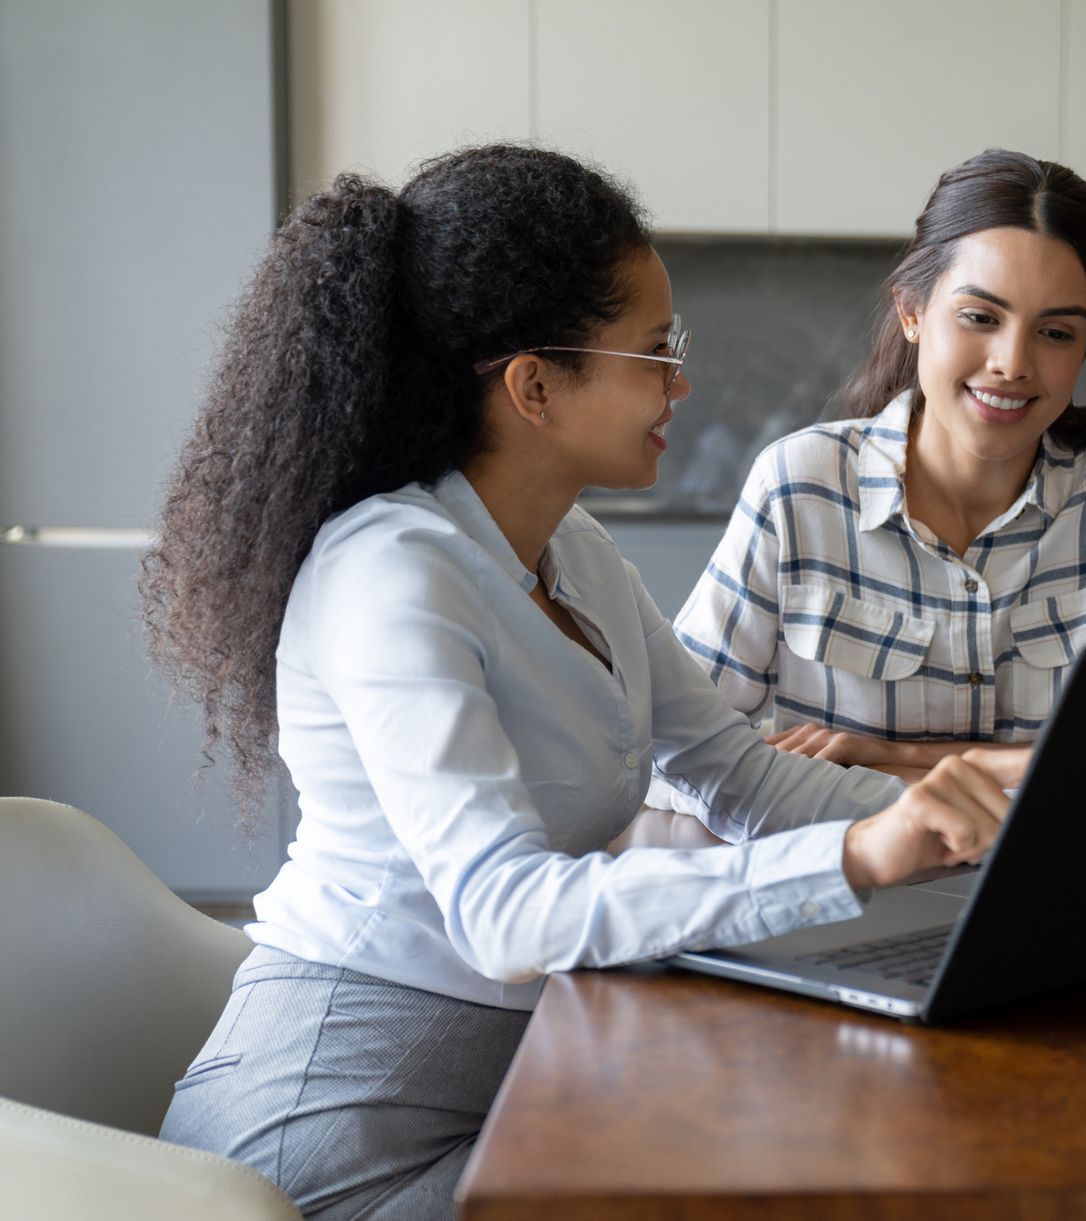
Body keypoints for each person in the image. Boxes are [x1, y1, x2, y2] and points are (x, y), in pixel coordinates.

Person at [140, 145, 1025, 1219]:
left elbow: (739, 777)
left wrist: (990, 825)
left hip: (510, 1087)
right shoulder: (391, 573)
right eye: (655, 351)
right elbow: (506, 919)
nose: (682, 383)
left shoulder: (576, 552)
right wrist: (854, 856)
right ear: (534, 385)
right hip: (324, 1142)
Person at [653, 149, 1086, 805]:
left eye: (1056, 333)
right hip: (856, 886)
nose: (1012, 362)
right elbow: (671, 755)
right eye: (980, 317)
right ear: (912, 312)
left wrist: (901, 759)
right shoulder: (800, 485)